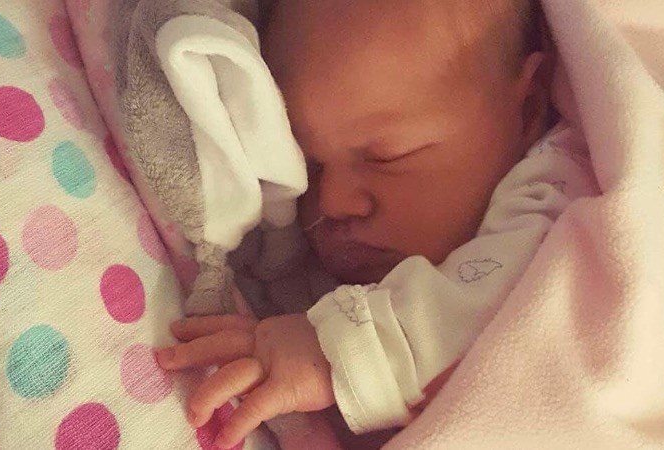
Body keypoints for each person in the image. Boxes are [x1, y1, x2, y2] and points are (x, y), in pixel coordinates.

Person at [156, 0, 598, 447]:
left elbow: (531, 294)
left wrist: (335, 352)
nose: (331, 201)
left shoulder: (567, 185)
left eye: (386, 157)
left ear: (527, 109)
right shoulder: (301, 269)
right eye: (309, 166)